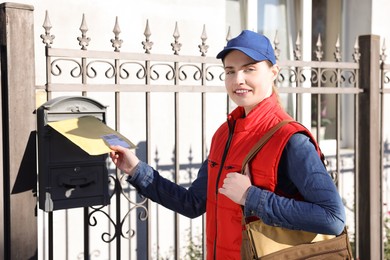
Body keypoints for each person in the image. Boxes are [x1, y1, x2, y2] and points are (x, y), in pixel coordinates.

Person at [109, 30, 346, 260]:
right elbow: (192, 203)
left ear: (274, 72)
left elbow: (332, 218)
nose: (238, 80)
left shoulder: (291, 139)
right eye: (230, 71)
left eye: (249, 69)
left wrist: (251, 197)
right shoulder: (225, 134)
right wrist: (136, 170)